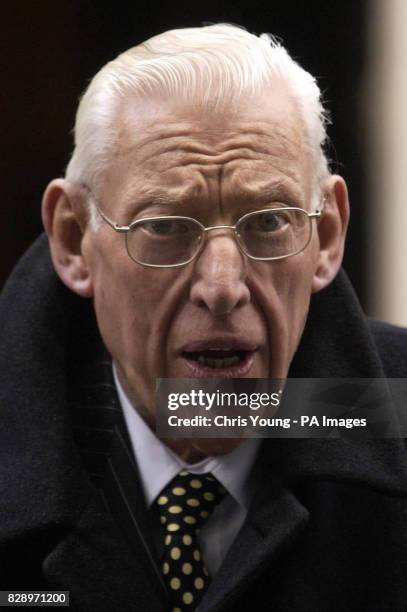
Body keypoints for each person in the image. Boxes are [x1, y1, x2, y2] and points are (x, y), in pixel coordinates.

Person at [1, 24, 407, 612]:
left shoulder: (388, 408)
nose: (222, 287)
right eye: (164, 227)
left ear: (326, 233)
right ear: (73, 239)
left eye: (268, 221)